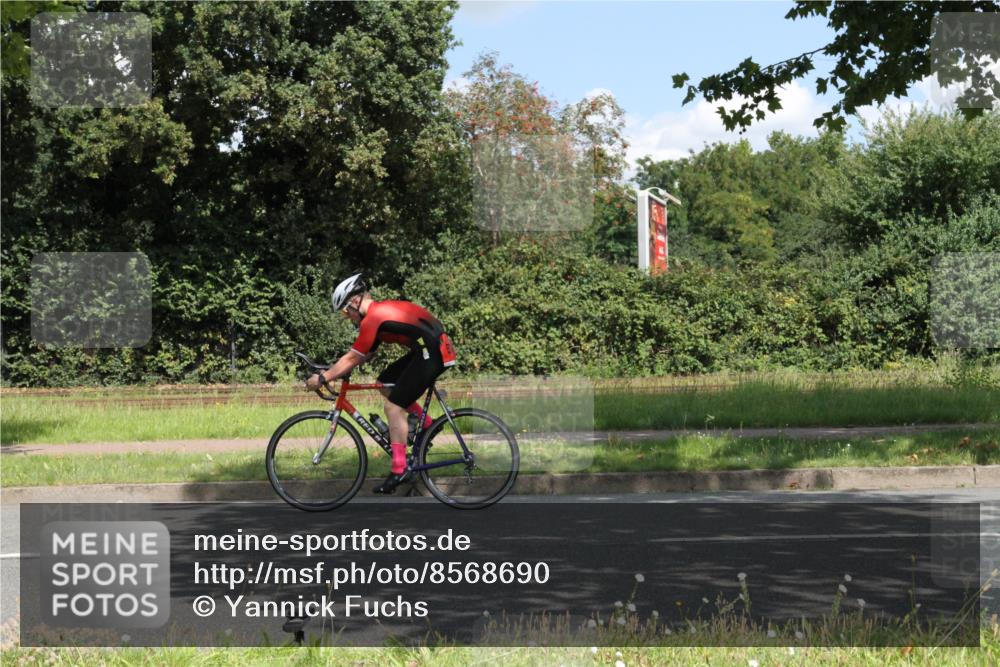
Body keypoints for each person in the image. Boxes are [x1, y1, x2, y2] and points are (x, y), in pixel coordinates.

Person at [305, 273, 456, 494]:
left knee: (393, 406)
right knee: (385, 383)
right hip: (427, 348)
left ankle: (399, 469)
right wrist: (334, 370)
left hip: (431, 351)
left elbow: (353, 357)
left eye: (346, 311)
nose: (347, 317)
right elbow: (364, 354)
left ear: (355, 302)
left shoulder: (374, 318)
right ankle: (426, 426)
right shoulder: (377, 316)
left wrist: (322, 378)